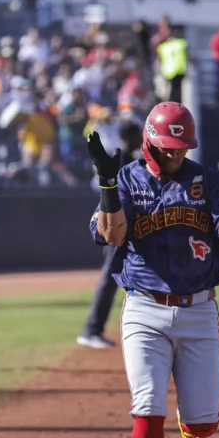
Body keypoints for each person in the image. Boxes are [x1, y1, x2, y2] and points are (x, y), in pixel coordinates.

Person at [86, 101, 219, 438]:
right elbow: (111, 235)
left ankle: (192, 430)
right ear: (150, 142)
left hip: (198, 309)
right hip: (143, 307)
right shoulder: (126, 178)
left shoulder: (206, 181)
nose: (175, 155)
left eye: (182, 147)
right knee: (147, 405)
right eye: (168, 147)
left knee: (203, 421)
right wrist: (106, 184)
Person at [77, 120, 144, 349]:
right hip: (117, 226)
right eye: (138, 135)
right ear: (131, 137)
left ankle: (94, 329)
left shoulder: (129, 159)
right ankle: (91, 329)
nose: (141, 139)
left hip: (126, 228)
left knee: (113, 279)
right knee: (109, 278)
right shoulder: (122, 159)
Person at [156, 26, 189, 104]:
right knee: (177, 93)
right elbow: (188, 56)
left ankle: (168, 105)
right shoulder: (182, 44)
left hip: (168, 71)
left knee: (169, 92)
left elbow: (159, 60)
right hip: (178, 70)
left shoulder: (163, 46)